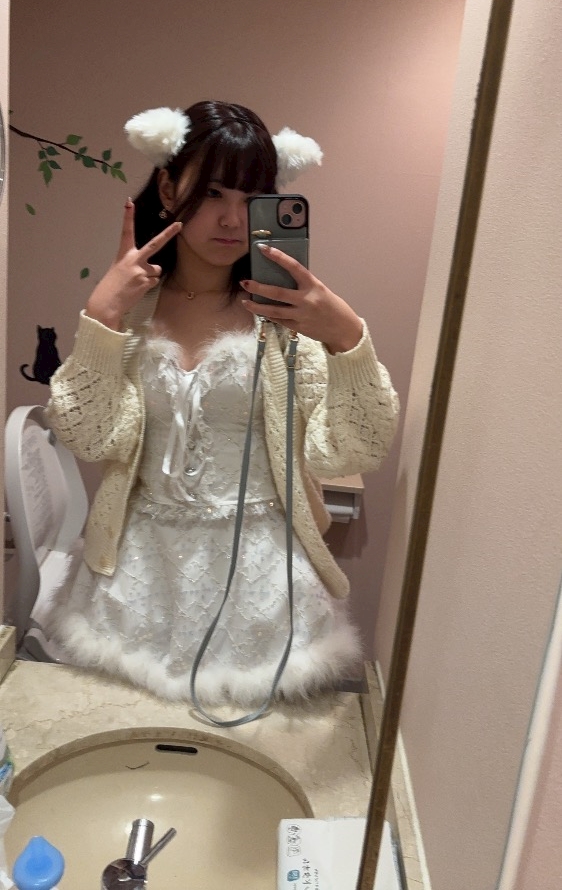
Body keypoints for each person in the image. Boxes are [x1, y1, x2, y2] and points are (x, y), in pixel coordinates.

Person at [45, 100, 399, 710]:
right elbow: (89, 436)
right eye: (212, 192)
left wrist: (347, 338)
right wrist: (101, 317)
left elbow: (350, 450)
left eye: (251, 197)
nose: (233, 218)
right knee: (124, 733)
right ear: (168, 187)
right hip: (135, 577)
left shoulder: (287, 318)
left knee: (249, 751)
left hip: (261, 581)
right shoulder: (131, 309)